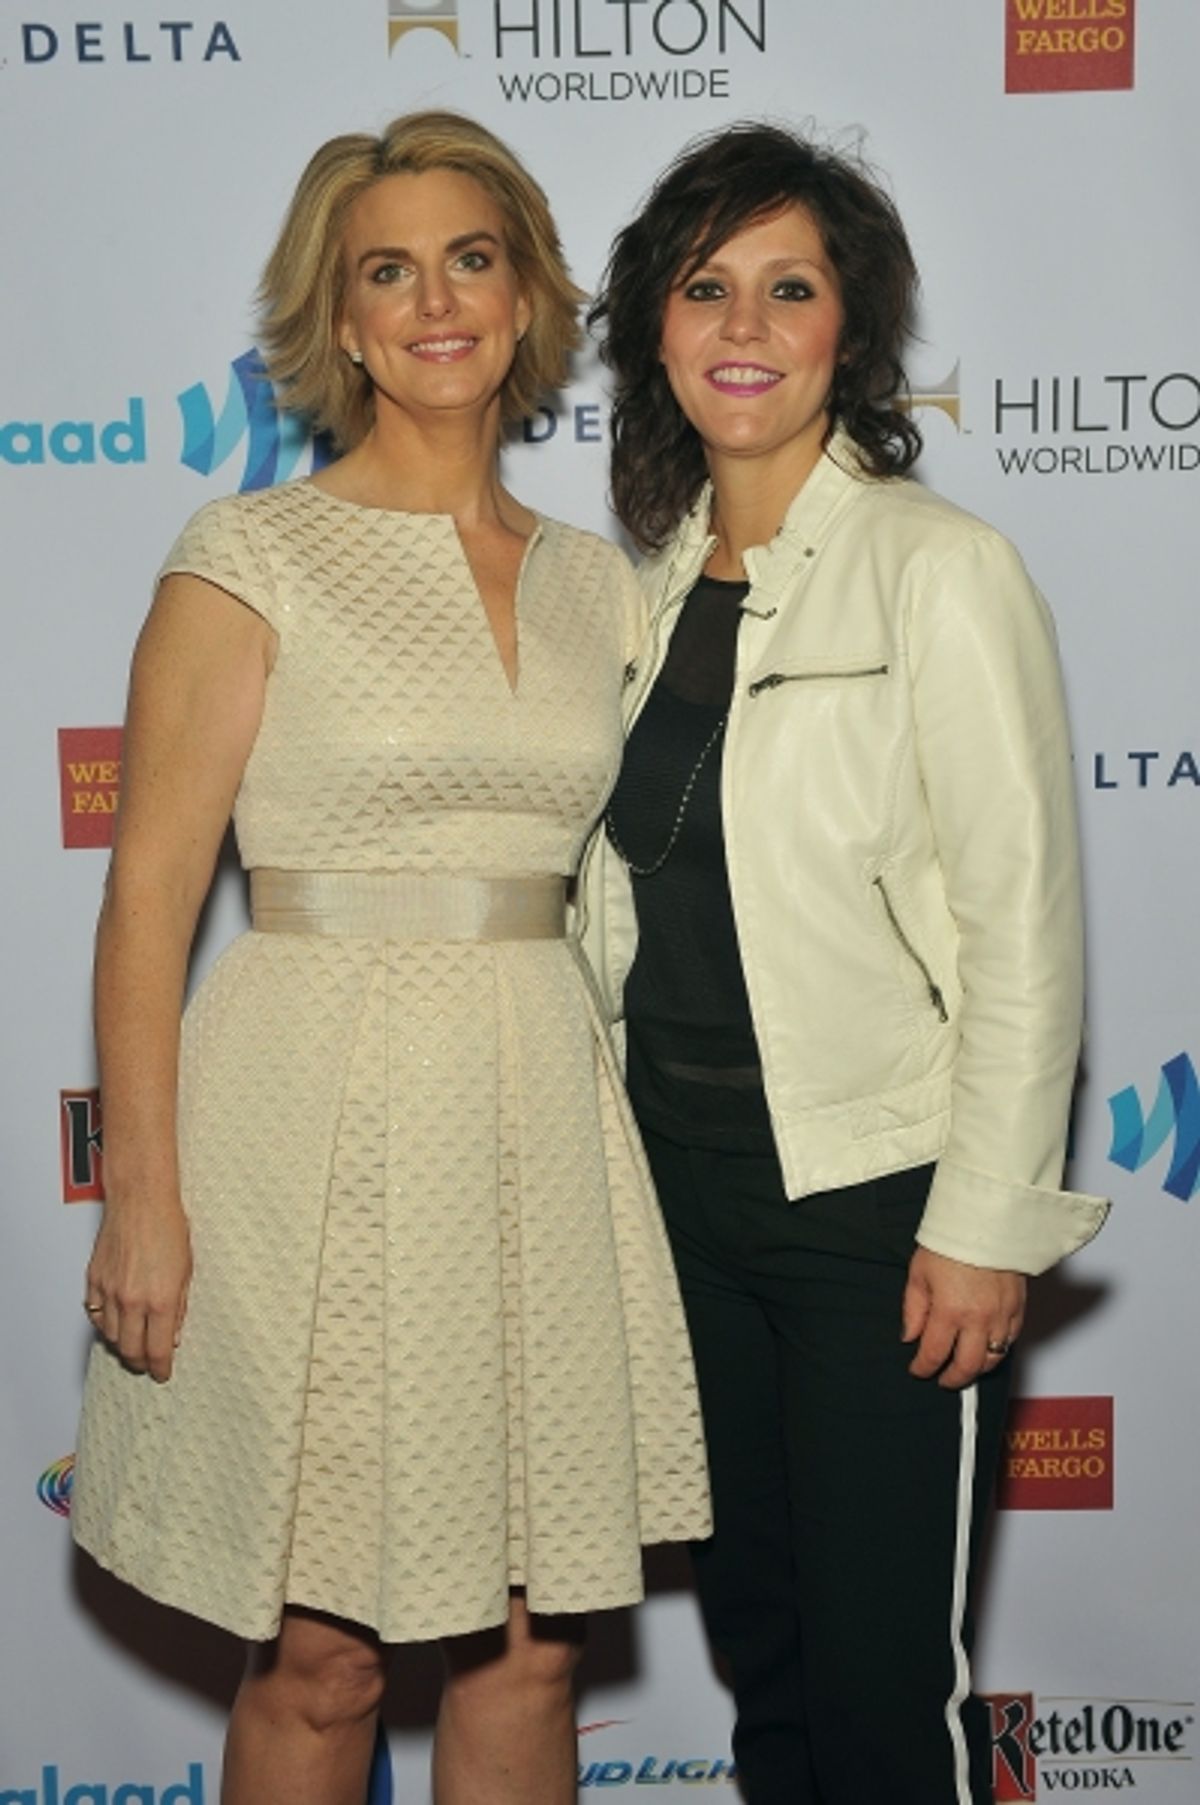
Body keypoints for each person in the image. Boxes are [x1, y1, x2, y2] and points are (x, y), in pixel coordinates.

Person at [71, 111, 709, 1805]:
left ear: (524, 299)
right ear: (341, 321)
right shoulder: (248, 556)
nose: (436, 299)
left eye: (472, 259)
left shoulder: (600, 586)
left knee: (530, 1637)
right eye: (388, 270)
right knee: (323, 1648)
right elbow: (146, 893)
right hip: (305, 1125)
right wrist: (140, 1186)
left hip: (534, 1121)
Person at [582, 122, 1108, 1805]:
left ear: (849, 332)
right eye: (705, 285)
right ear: (656, 332)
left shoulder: (941, 571)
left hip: (871, 1204)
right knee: (766, 1648)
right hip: (678, 1197)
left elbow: (1024, 925)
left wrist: (981, 1219)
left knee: (882, 1685)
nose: (744, 325)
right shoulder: (641, 590)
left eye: (788, 288)